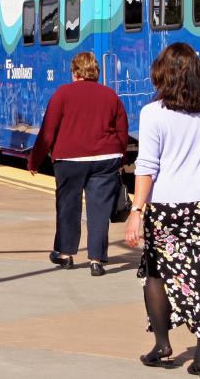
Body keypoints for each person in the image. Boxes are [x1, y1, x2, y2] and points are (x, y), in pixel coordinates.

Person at [124, 43, 200, 377]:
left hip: (166, 206)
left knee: (157, 273)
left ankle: (162, 344)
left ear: (162, 73)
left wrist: (136, 210)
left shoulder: (153, 113)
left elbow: (146, 166)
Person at [27, 51, 128, 276]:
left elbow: (48, 131)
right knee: (99, 210)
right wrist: (122, 156)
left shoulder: (62, 94)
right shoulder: (111, 96)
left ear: (74, 72)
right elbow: (122, 131)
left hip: (69, 160)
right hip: (105, 159)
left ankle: (65, 254)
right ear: (96, 72)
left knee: (68, 207)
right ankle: (96, 260)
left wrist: (34, 160)